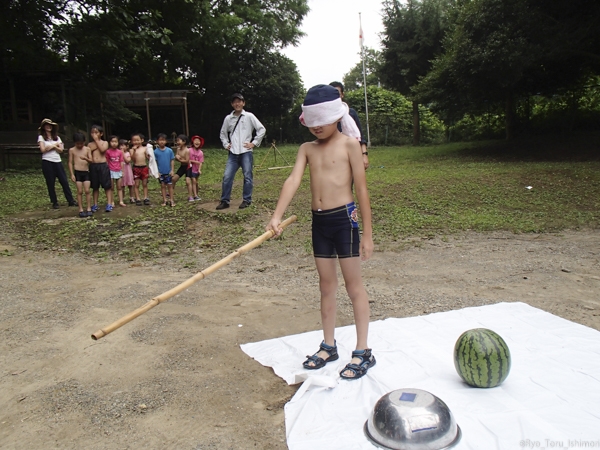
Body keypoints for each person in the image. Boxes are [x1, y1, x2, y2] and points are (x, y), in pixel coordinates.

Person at [266, 84, 375, 380]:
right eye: (311, 123)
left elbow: (362, 189)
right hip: (320, 222)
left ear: (337, 116)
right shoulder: (306, 149)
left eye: (322, 122)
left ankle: (363, 351)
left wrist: (367, 233)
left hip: (345, 221)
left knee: (354, 286)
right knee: (326, 286)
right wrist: (276, 216)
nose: (316, 129)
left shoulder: (350, 145)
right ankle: (329, 346)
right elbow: (292, 180)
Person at [217, 93, 266, 210]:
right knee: (227, 177)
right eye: (235, 102)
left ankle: (247, 200)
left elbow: (261, 129)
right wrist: (226, 144)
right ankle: (225, 201)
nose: (237, 104)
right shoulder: (228, 118)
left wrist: (253, 143)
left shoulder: (249, 116)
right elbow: (223, 133)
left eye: (239, 101)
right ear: (232, 104)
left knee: (248, 176)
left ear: (243, 103)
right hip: (233, 153)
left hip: (246, 152)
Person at [37, 118, 76, 209]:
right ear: (43, 127)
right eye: (46, 125)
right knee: (50, 182)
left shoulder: (57, 137)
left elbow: (61, 150)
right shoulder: (41, 137)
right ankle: (54, 202)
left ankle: (70, 200)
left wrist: (51, 147)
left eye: (50, 125)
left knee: (64, 181)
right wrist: (54, 146)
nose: (48, 126)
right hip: (47, 161)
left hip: (57, 161)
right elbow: (43, 150)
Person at [329, 81, 370, 170]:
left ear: (342, 95)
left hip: (351, 154)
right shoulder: (326, 115)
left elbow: (360, 137)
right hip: (331, 156)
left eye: (338, 94)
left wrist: (364, 155)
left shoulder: (351, 113)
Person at [88, 125, 114, 212]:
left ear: (101, 134)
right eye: (92, 132)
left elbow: (102, 149)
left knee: (107, 186)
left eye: (96, 132)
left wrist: (96, 140)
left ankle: (109, 203)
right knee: (95, 186)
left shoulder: (105, 142)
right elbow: (88, 151)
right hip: (93, 166)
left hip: (103, 165)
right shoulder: (89, 144)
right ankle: (95, 204)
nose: (94, 134)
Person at [68, 132, 93, 217]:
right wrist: (72, 174)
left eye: (81, 143)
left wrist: (85, 158)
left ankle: (89, 208)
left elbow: (91, 160)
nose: (79, 145)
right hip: (77, 172)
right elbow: (70, 163)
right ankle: (81, 209)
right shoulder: (72, 150)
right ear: (75, 143)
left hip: (86, 172)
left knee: (87, 190)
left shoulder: (87, 149)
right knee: (79, 191)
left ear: (84, 142)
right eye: (77, 143)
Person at [153, 133, 175, 206]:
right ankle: (164, 200)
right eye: (160, 140)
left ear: (166, 141)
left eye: (163, 140)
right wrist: (157, 172)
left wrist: (172, 170)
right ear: (157, 141)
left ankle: (171, 200)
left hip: (168, 172)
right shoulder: (155, 151)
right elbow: (154, 162)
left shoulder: (169, 150)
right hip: (161, 172)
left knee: (170, 186)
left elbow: (172, 160)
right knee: (162, 186)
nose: (162, 142)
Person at [105, 135, 126, 208]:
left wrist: (122, 171)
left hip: (118, 171)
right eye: (112, 142)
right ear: (109, 142)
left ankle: (121, 201)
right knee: (111, 187)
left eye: (115, 142)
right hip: (111, 171)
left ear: (118, 143)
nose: (114, 143)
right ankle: (112, 201)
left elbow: (121, 161)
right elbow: (107, 161)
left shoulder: (120, 152)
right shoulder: (107, 152)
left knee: (119, 187)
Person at [172, 134, 194, 202]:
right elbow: (176, 157)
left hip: (188, 167)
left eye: (179, 141)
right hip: (182, 166)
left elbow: (187, 161)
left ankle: (190, 196)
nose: (177, 142)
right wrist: (177, 157)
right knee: (173, 179)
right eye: (177, 141)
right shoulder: (178, 149)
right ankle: (171, 193)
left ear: (184, 142)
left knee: (188, 181)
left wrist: (179, 159)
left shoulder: (187, 150)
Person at [131, 133, 150, 205]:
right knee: (136, 184)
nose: (136, 142)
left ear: (142, 140)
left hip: (144, 167)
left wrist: (148, 155)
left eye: (137, 140)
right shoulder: (132, 150)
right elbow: (132, 159)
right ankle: (138, 198)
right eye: (134, 140)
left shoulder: (145, 148)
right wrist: (134, 151)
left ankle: (145, 197)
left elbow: (148, 158)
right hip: (136, 167)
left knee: (145, 183)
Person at [188, 135, 205, 201]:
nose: (197, 142)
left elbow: (201, 162)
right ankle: (194, 196)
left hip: (196, 170)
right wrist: (195, 161)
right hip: (190, 169)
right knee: (194, 181)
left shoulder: (201, 152)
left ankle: (195, 194)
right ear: (193, 142)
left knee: (196, 183)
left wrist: (199, 169)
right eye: (195, 140)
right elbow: (188, 160)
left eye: (198, 141)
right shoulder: (189, 150)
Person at [120, 139, 135, 204]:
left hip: (128, 170)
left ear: (127, 146)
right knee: (122, 185)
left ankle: (131, 197)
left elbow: (127, 161)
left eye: (123, 145)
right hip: (121, 170)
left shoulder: (128, 153)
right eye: (120, 145)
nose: (121, 147)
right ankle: (122, 198)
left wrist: (122, 153)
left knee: (130, 185)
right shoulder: (118, 153)